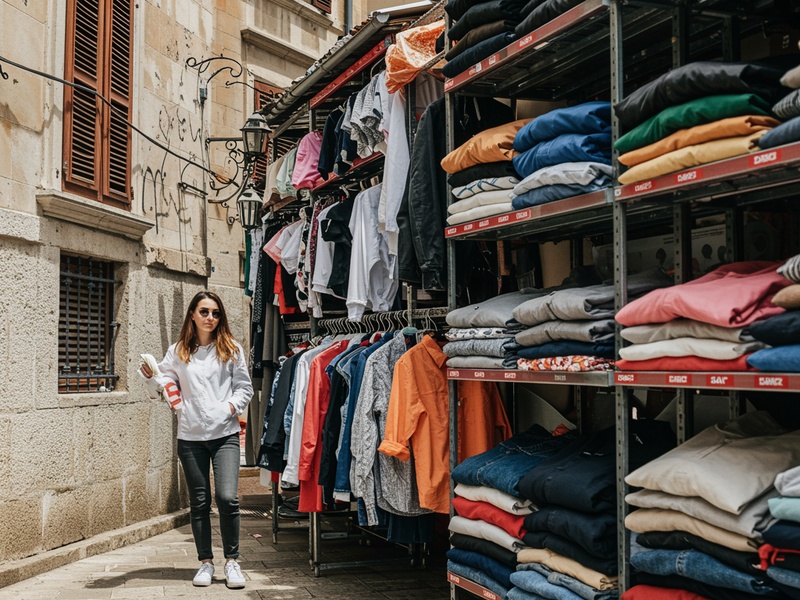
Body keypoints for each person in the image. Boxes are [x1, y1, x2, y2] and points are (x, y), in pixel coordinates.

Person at [140, 291, 253, 589]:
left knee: (227, 498)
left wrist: (227, 409)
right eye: (204, 312)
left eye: (215, 313)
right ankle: (206, 562)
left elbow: (245, 388)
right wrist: (151, 377)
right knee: (199, 502)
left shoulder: (231, 348)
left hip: (225, 435)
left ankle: (232, 561)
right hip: (190, 437)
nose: (210, 318)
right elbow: (163, 384)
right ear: (192, 314)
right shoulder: (178, 351)